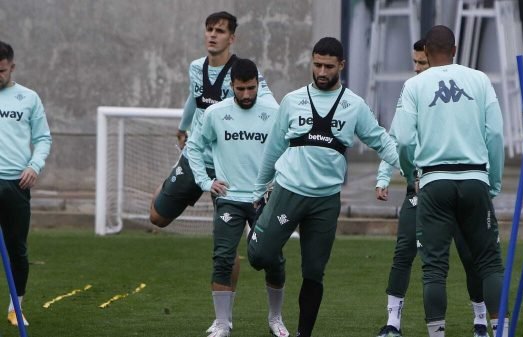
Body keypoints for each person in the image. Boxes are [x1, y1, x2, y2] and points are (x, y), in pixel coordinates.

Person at [246, 37, 400, 337]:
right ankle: (267, 238)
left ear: (341, 65)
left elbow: (384, 142)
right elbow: (272, 149)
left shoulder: (354, 105)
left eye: (329, 66)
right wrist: (257, 191)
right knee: (260, 257)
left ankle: (304, 334)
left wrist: (410, 172)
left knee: (314, 272)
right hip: (288, 192)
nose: (322, 71)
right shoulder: (292, 100)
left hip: (326, 201)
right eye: (317, 65)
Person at [148, 12, 276, 333]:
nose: (212, 36)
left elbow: (269, 103)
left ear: (232, 38)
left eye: (220, 31)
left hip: (227, 167)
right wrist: (182, 125)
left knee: (226, 246)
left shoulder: (244, 74)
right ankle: (175, 185)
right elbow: (195, 96)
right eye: (209, 30)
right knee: (157, 218)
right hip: (196, 158)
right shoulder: (196, 67)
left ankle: (224, 320)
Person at [390, 25, 507, 337]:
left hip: (434, 180)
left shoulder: (414, 85)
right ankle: (499, 329)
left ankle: (437, 333)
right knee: (489, 262)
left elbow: (402, 140)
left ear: (426, 53)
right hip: (474, 177)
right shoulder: (480, 80)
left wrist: (411, 172)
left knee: (434, 267)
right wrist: (493, 181)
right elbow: (495, 134)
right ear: (455, 50)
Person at [186, 58, 288, 337]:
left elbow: (290, 150)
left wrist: (278, 184)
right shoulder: (216, 113)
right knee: (222, 258)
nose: (246, 95)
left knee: (273, 259)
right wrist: (205, 182)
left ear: (258, 85)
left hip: (264, 199)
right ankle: (222, 324)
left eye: (251, 88)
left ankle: (276, 318)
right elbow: (194, 147)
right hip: (229, 198)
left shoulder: (274, 112)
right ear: (231, 86)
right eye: (240, 89)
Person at [0, 40, 52, 326]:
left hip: (15, 185)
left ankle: (15, 307)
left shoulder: (28, 98)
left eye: (1, 70)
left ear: (12, 67)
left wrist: (35, 165)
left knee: (16, 248)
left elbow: (43, 138)